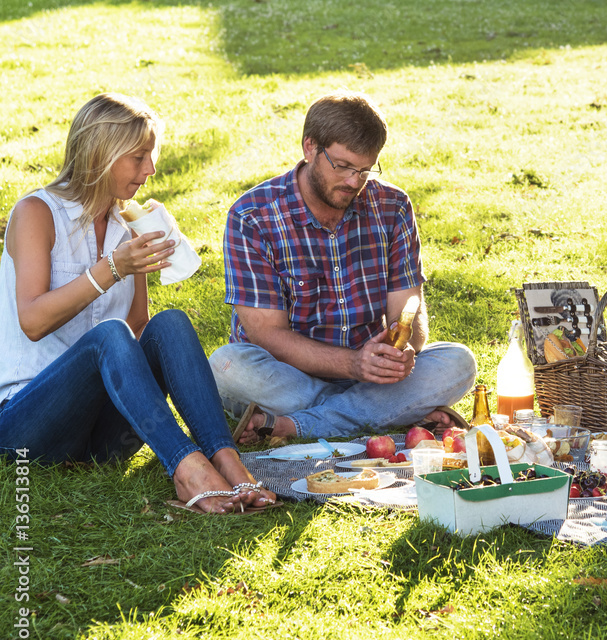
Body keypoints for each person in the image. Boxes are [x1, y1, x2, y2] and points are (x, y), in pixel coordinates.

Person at [0, 93, 277, 513]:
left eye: (151, 156)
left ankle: (226, 459)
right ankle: (188, 470)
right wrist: (113, 267)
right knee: (108, 335)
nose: (150, 169)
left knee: (170, 324)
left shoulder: (127, 228)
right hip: (28, 427)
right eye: (139, 157)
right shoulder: (37, 212)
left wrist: (155, 255)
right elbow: (33, 321)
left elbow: (142, 330)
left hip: (101, 441)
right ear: (101, 155)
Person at [209, 91, 476, 443]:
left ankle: (295, 424)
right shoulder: (252, 216)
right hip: (287, 373)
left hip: (371, 374)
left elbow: (409, 312)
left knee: (458, 363)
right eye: (343, 166)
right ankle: (384, 412)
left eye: (365, 169)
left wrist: (403, 350)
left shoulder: (392, 207)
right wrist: (353, 364)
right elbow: (267, 335)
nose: (354, 181)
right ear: (310, 147)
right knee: (227, 367)